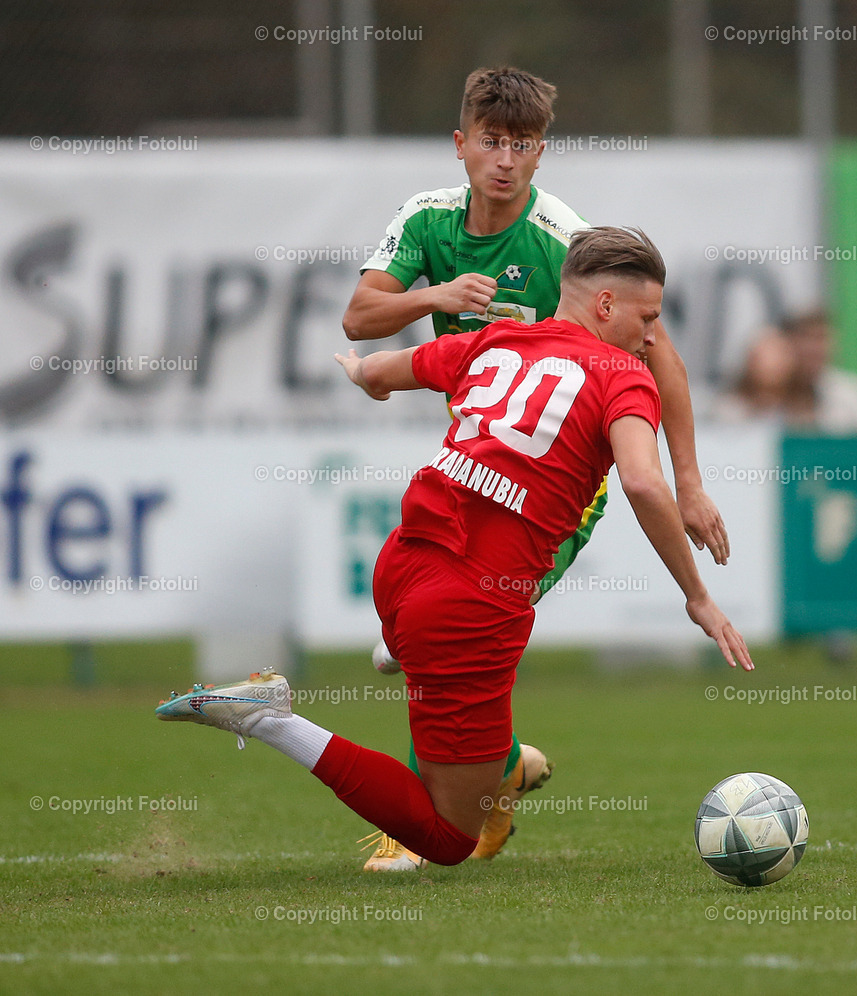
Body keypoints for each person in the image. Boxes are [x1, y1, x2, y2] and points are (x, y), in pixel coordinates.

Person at [157, 227, 752, 872]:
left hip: (401, 564)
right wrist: (697, 596)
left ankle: (423, 671)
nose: (652, 337)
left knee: (437, 678)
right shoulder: (624, 374)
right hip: (472, 605)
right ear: (605, 305)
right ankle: (270, 719)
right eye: (649, 318)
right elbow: (641, 481)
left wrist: (361, 374)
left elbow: (382, 369)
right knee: (446, 838)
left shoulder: (497, 338)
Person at [343, 67, 729, 868]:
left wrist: (688, 482)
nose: (505, 160)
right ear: (462, 145)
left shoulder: (563, 241)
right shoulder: (427, 219)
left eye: (522, 146)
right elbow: (360, 319)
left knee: (460, 630)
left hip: (559, 485)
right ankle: (504, 769)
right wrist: (437, 295)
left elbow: (659, 356)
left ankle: (422, 822)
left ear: (541, 153)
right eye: (492, 142)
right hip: (477, 461)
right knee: (435, 638)